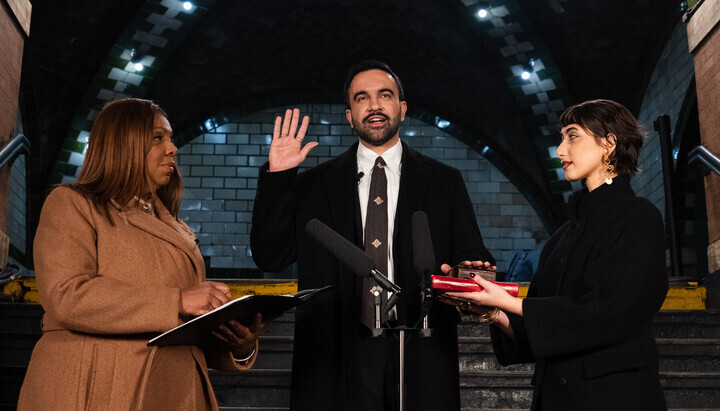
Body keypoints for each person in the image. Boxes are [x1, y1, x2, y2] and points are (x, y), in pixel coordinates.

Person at [250, 60, 495, 410]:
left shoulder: (445, 181)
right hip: (334, 352)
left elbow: (471, 255)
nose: (374, 105)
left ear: (402, 108)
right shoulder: (313, 185)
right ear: (350, 116)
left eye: (385, 95)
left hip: (420, 345)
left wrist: (469, 271)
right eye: (362, 98)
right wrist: (279, 178)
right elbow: (270, 256)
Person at [18, 98, 264, 410]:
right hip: (99, 389)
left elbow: (186, 331)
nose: (172, 148)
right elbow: (67, 296)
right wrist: (178, 300)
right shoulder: (72, 203)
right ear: (123, 143)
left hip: (177, 392)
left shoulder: (179, 229)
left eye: (170, 138)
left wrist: (238, 345)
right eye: (158, 138)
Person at [443, 99, 668, 410]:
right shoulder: (560, 238)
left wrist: (508, 302)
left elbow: (609, 311)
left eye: (572, 136)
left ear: (609, 143)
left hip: (615, 398)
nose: (560, 150)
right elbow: (539, 332)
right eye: (561, 138)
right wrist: (491, 310)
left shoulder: (638, 216)